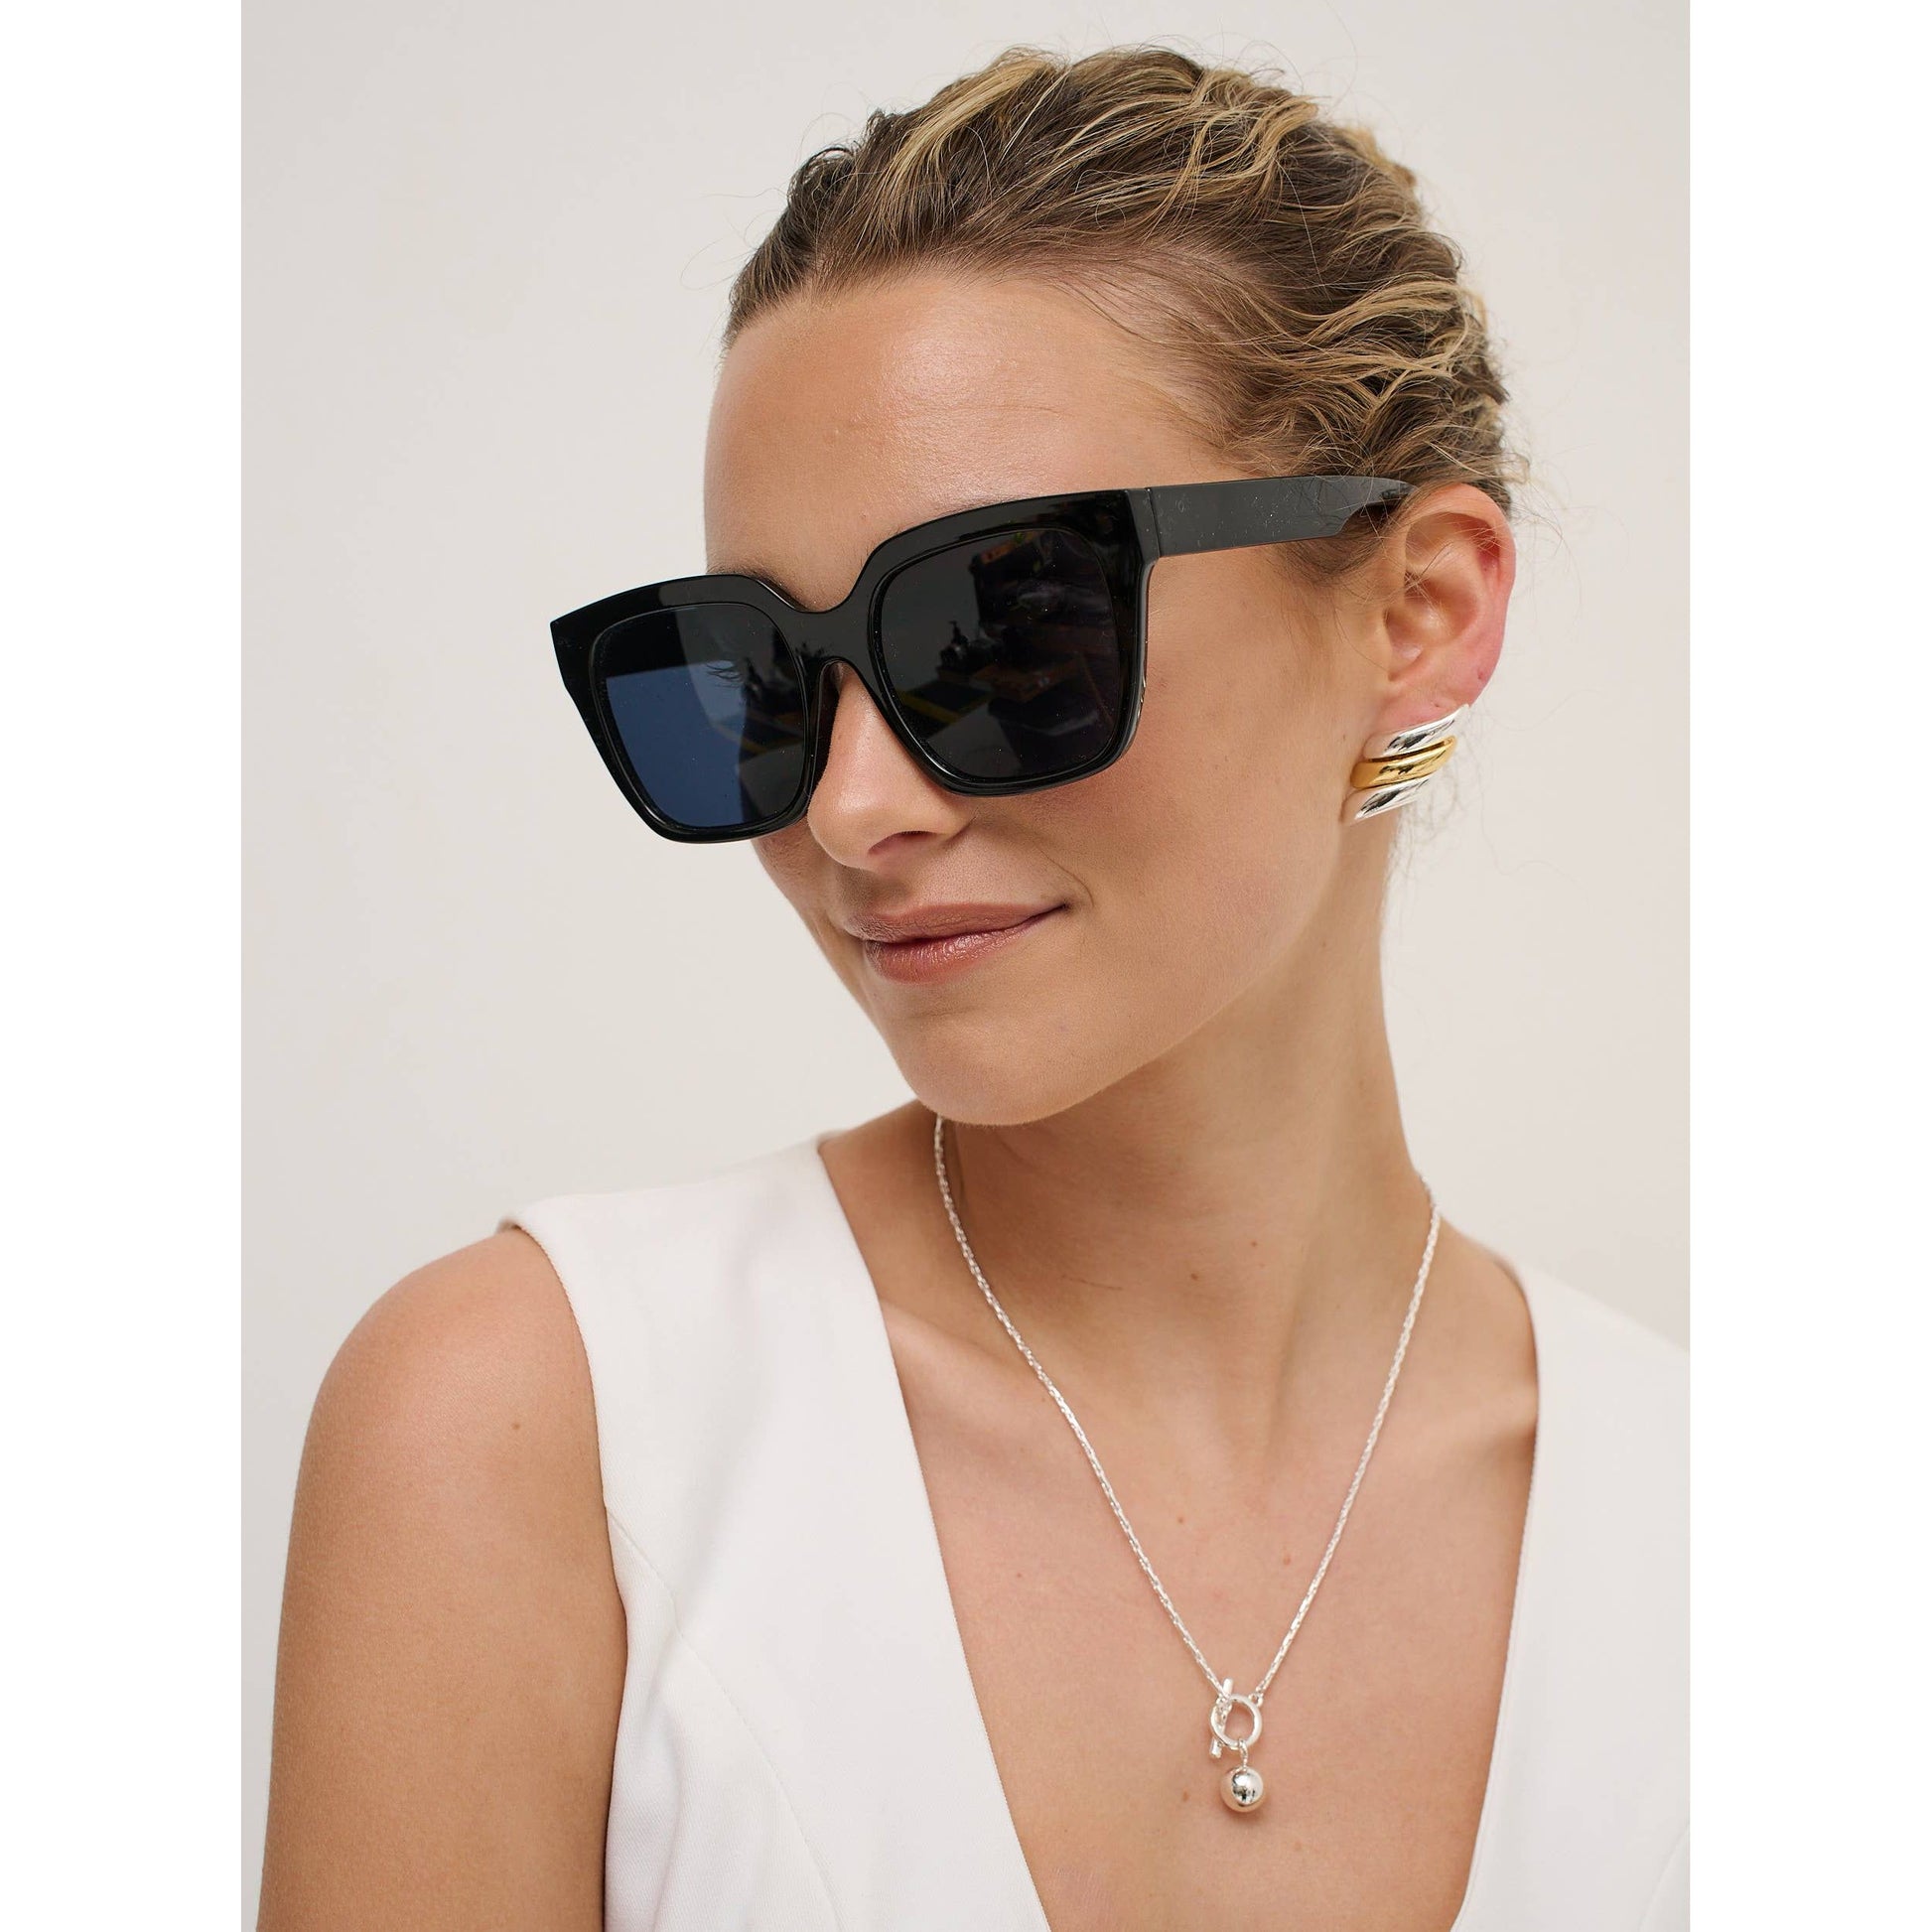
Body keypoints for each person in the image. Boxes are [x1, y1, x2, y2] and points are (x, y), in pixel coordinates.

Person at [258, 43, 1686, 1932]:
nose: (853, 809)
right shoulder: (537, 1435)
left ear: (1416, 610)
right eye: (758, 677)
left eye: (1001, 628)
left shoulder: (1733, 1544)